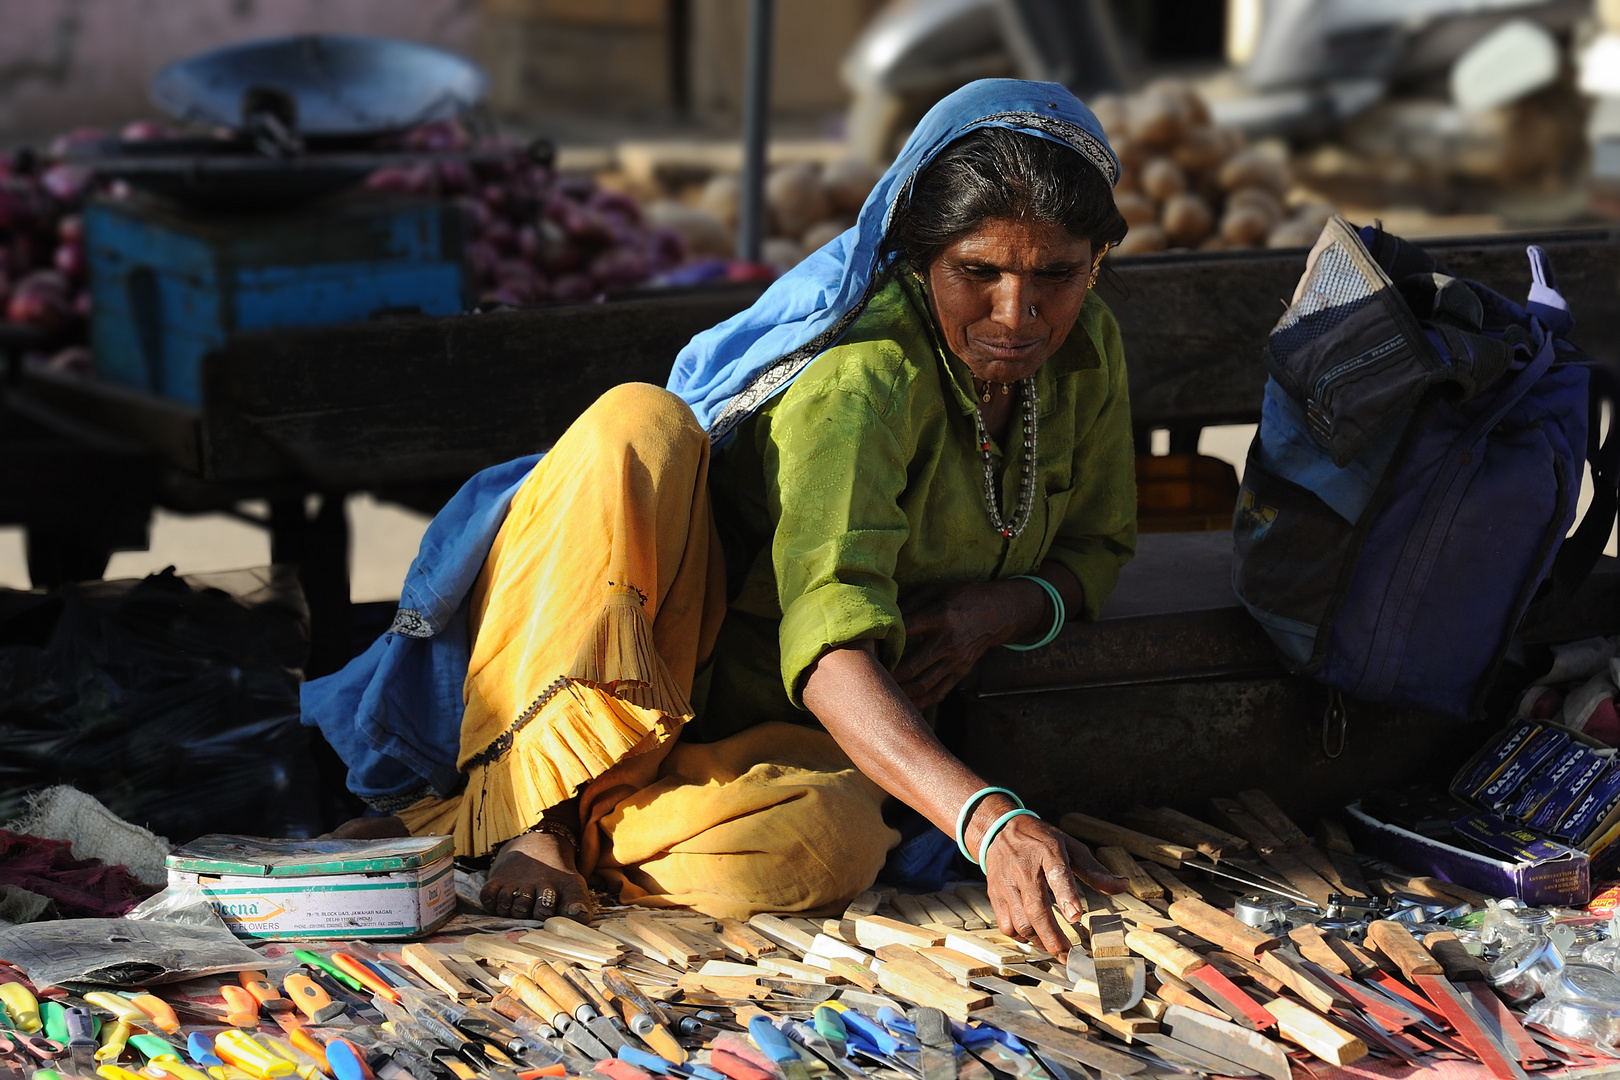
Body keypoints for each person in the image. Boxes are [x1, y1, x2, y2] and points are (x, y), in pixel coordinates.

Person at [304, 78, 1137, 959]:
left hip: (745, 732)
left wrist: (994, 612)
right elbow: (827, 641)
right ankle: (533, 813)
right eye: (979, 273)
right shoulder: (863, 381)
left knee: (829, 843)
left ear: (1098, 261)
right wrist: (986, 818)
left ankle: (593, 834)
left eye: (1057, 273)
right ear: (921, 256)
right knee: (637, 424)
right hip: (659, 654)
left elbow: (1100, 546)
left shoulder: (1086, 351)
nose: (1018, 313)